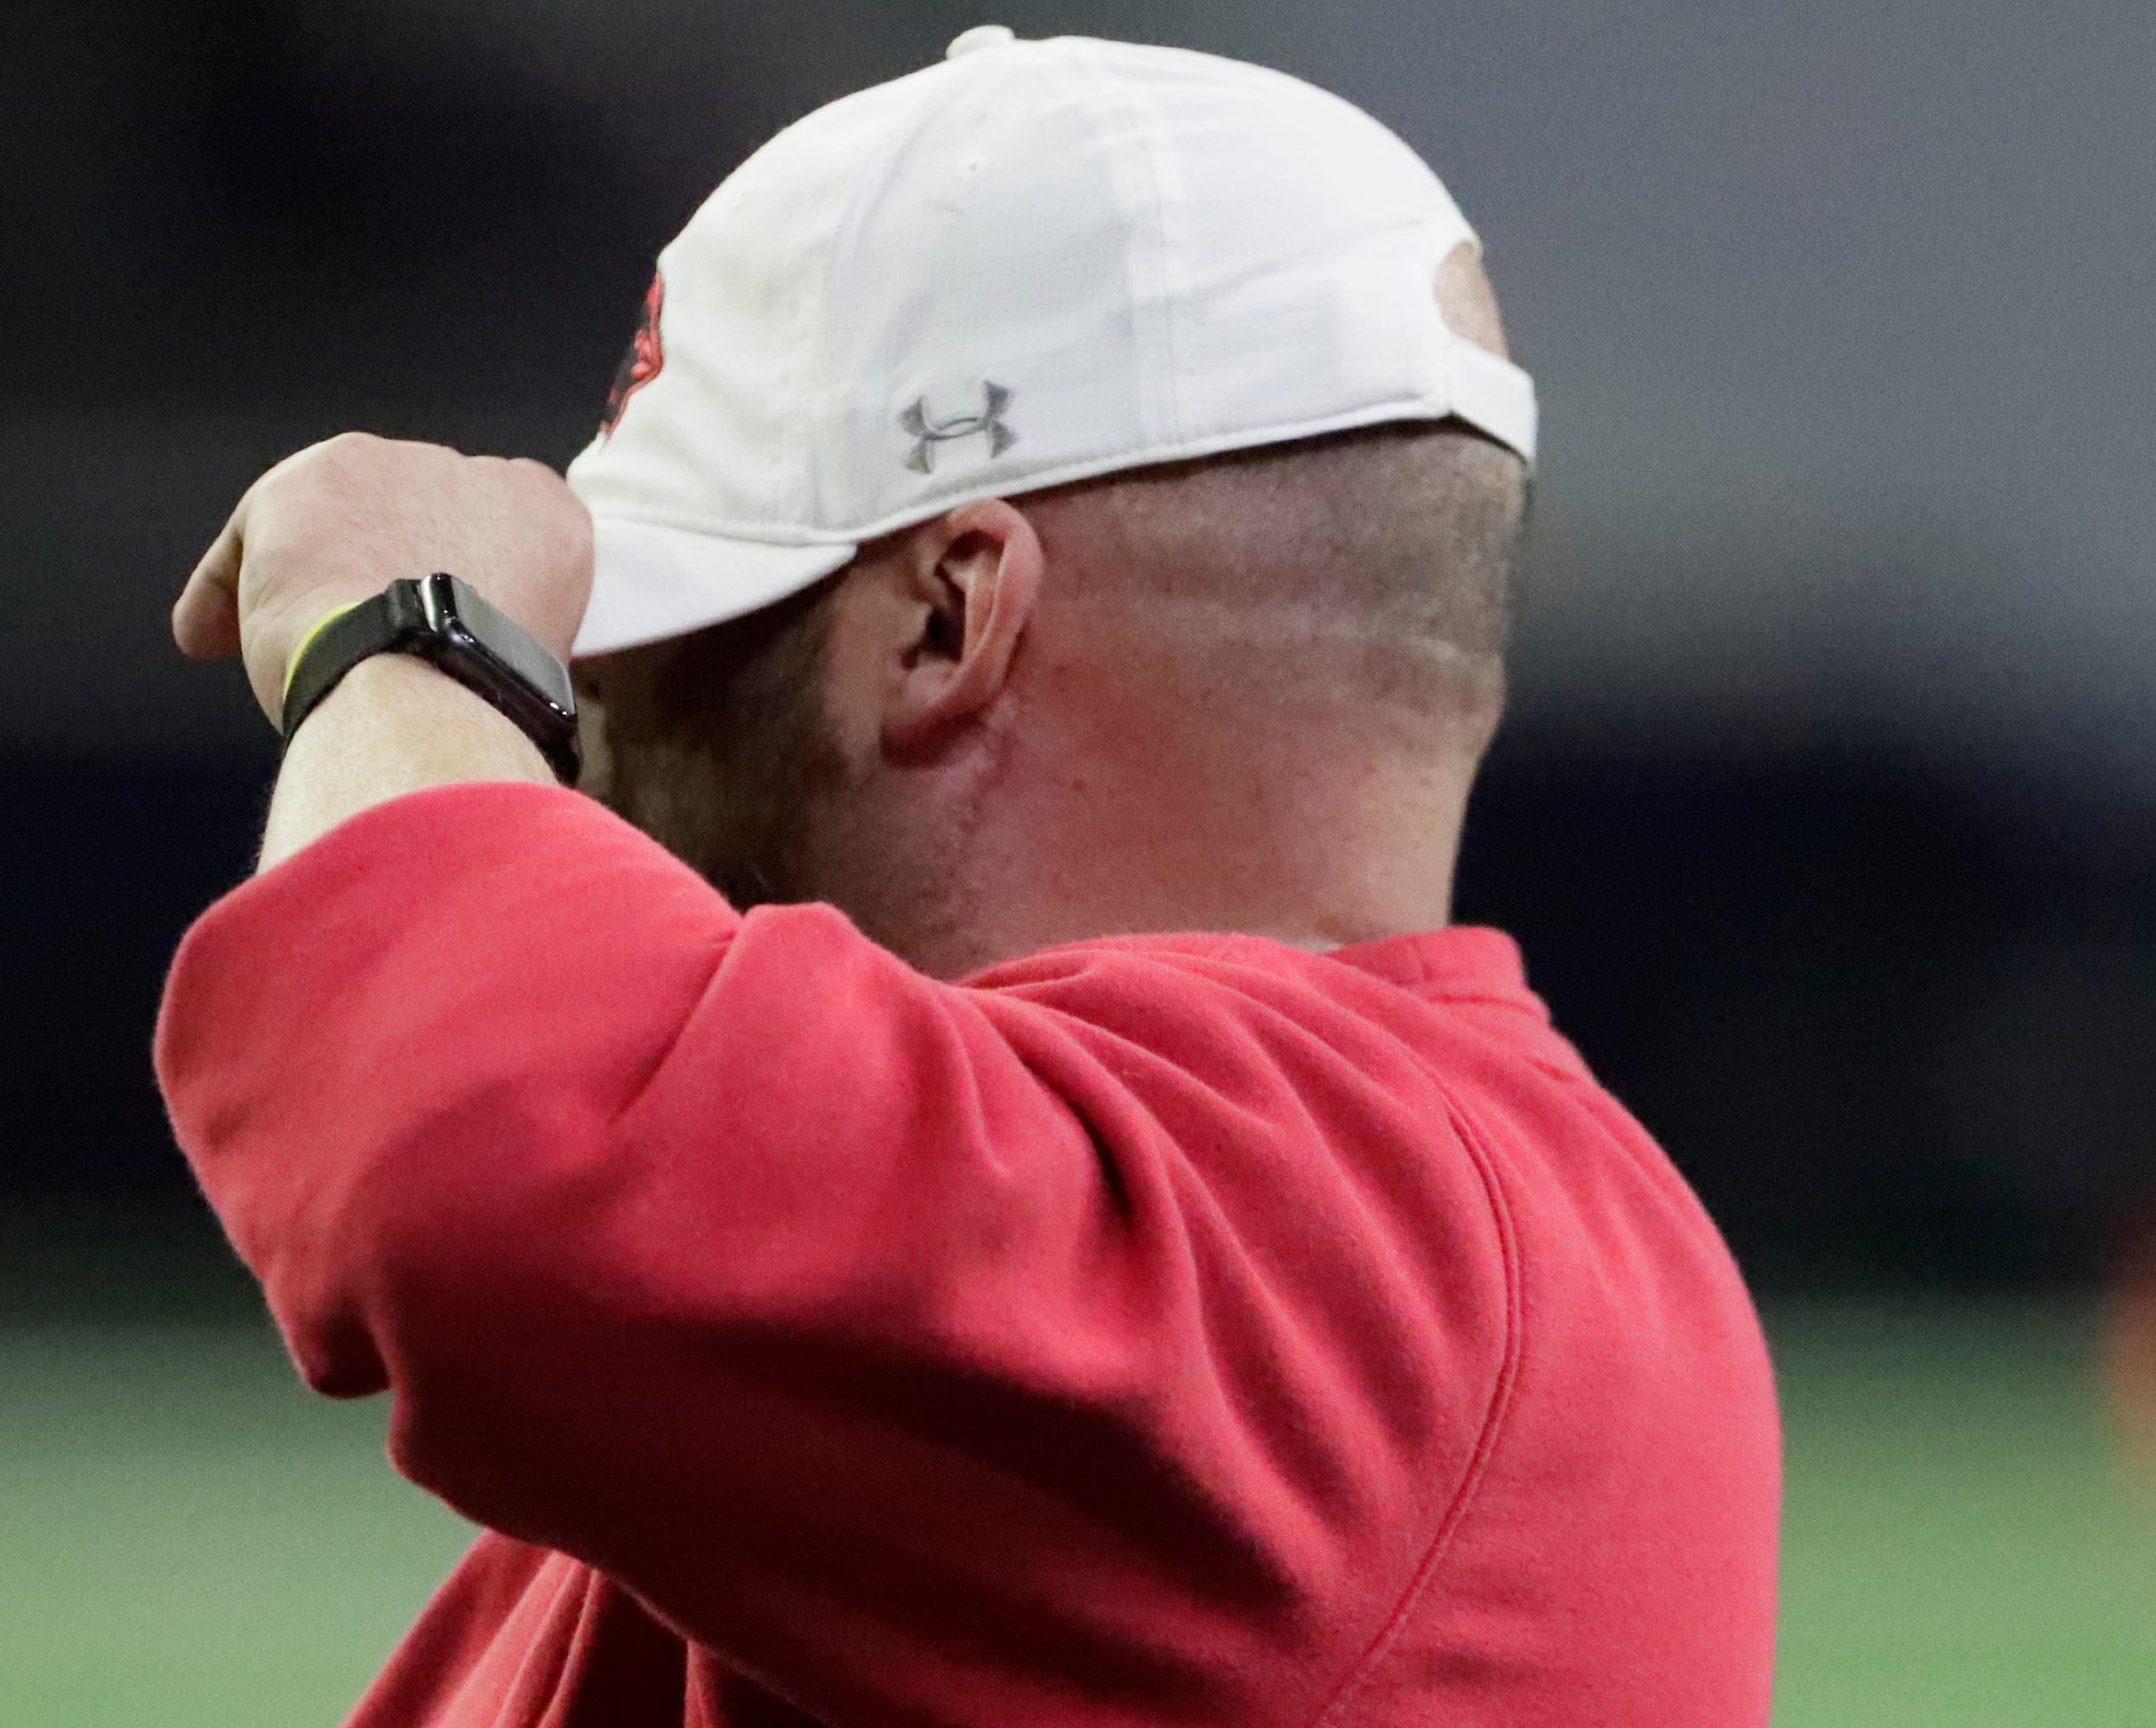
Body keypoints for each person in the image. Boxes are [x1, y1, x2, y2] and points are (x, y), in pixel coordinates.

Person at [157, 29, 1779, 1728]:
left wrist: (407, 644)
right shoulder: (1328, 1237)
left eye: (661, 649)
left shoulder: (1361, 1244)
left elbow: (465, 1144)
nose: (583, 742)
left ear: (945, 619)